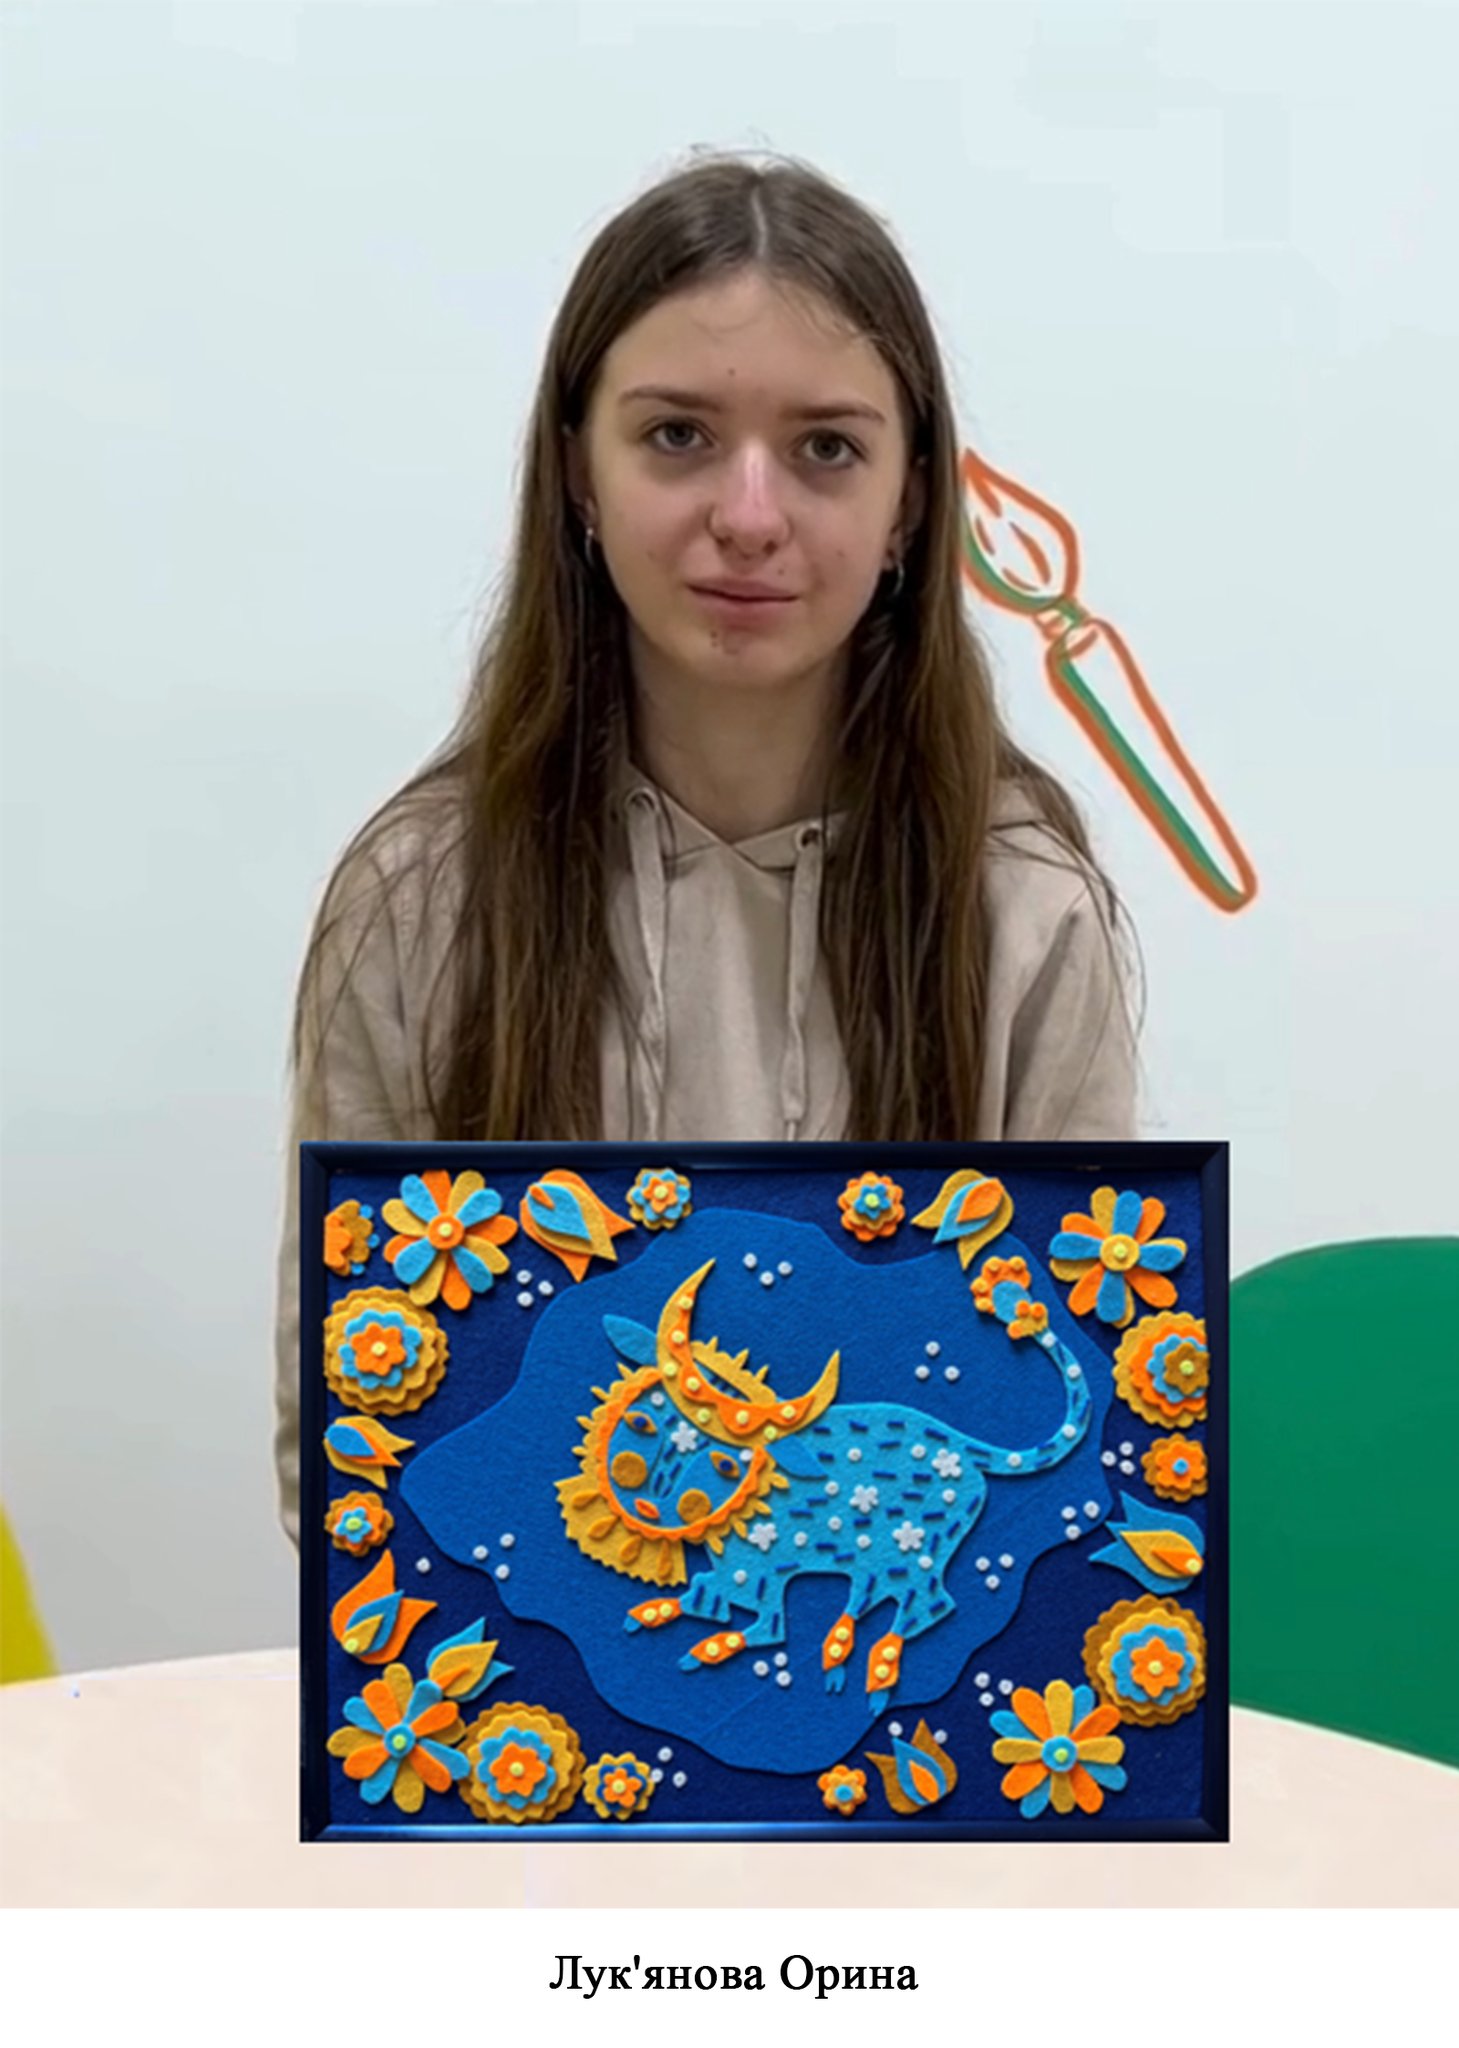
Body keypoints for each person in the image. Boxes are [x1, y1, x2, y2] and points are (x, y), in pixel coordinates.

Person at [273, 148, 1144, 1551]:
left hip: (895, 1686)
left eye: (826, 449)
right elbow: (345, 1449)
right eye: (677, 435)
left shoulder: (1024, 908)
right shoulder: (420, 902)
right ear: (579, 471)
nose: (748, 516)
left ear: (912, 503)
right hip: (519, 1684)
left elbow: (1076, 1451)